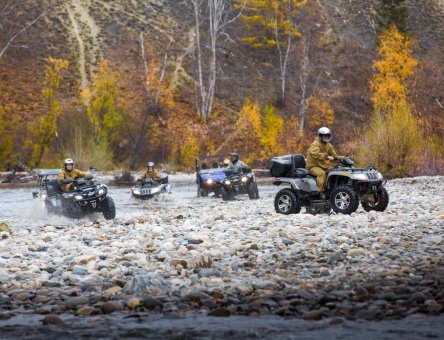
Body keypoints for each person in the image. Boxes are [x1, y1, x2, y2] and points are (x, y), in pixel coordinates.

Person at [306, 127, 345, 200]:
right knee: (322, 174)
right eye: (324, 136)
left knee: (335, 172)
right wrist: (327, 157)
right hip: (313, 166)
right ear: (320, 136)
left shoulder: (328, 145)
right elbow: (315, 154)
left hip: (323, 166)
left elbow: (334, 156)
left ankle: (333, 190)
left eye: (327, 135)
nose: (326, 137)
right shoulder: (315, 144)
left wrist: (344, 158)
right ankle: (321, 192)